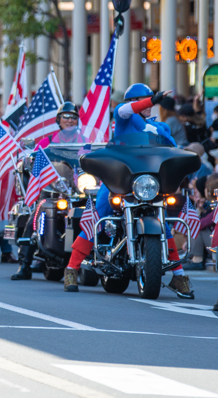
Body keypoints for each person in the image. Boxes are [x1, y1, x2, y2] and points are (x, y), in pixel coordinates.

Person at [61, 84, 192, 298]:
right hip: (119, 181)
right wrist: (153, 100)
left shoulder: (160, 128)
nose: (150, 103)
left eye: (150, 99)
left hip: (149, 185)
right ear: (134, 102)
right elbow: (124, 110)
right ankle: (72, 269)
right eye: (144, 99)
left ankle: (179, 275)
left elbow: (173, 152)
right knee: (96, 218)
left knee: (164, 227)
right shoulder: (124, 117)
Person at [13, 101, 82, 280]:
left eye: (73, 117)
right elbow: (34, 158)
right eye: (65, 117)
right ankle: (24, 264)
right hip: (52, 191)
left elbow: (93, 159)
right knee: (34, 218)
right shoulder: (48, 141)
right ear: (59, 120)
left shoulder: (84, 141)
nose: (69, 120)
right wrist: (32, 157)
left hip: (78, 192)